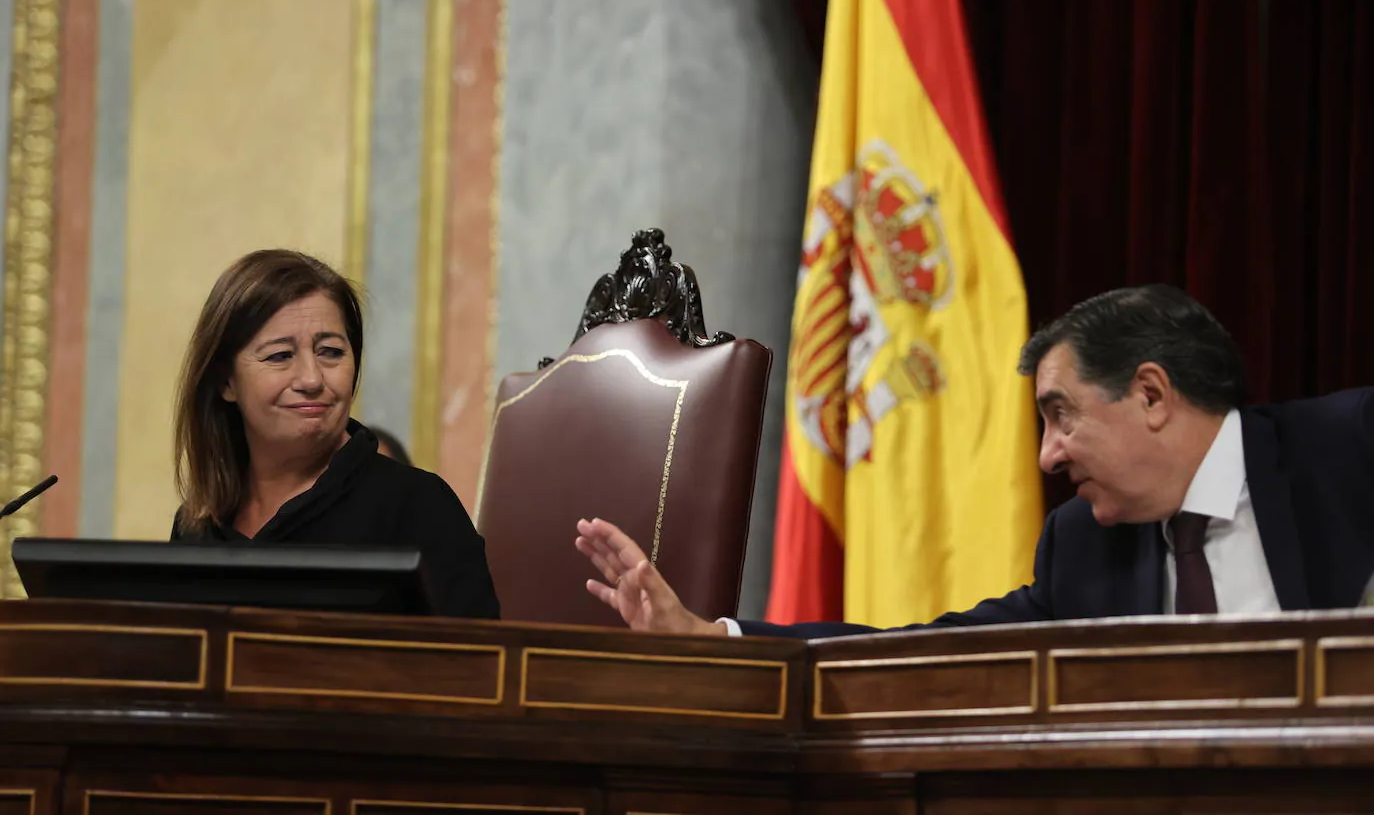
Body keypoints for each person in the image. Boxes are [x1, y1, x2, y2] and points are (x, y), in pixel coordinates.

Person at [576, 284, 1374, 638]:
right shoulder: (1084, 548)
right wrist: (716, 636)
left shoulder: (1349, 451)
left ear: (1153, 395)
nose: (1047, 454)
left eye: (1060, 416)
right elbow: (924, 649)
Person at [170, 249, 500, 620]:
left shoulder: (418, 506)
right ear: (225, 381)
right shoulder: (197, 525)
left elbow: (476, 670)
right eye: (280, 356)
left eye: (330, 352)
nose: (312, 379)